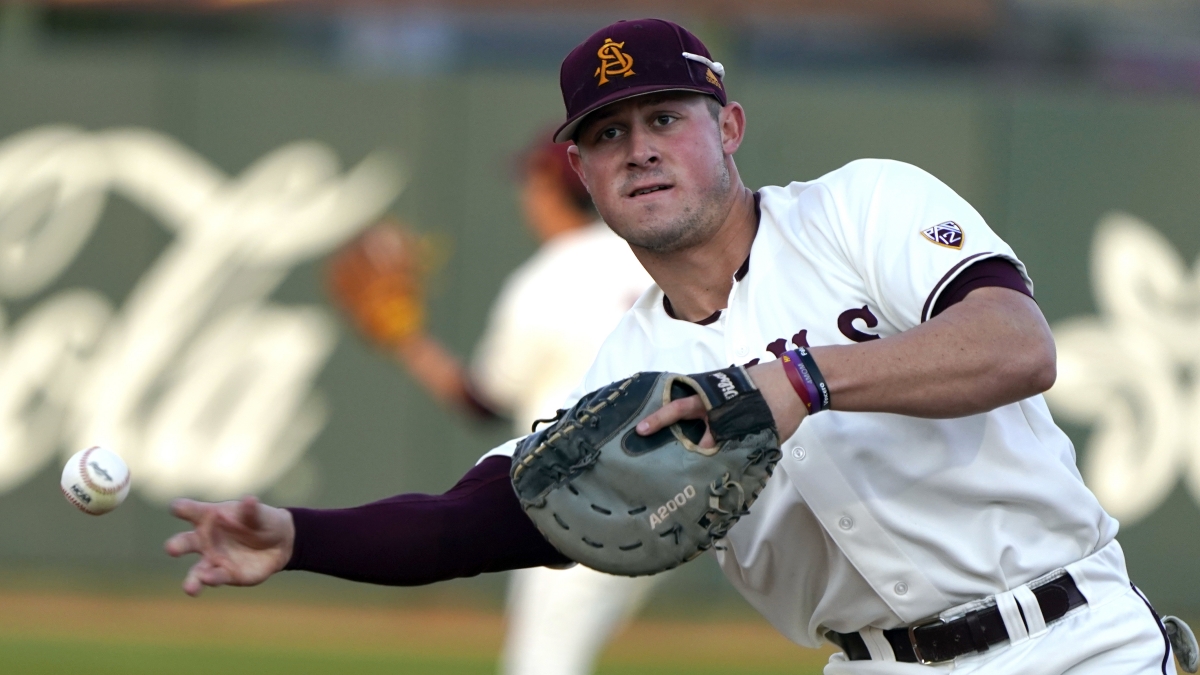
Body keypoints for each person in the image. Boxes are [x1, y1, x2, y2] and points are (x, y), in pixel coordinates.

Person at [166, 18, 1181, 674]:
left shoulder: (861, 209)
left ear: (728, 125)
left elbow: (1016, 345)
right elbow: (472, 522)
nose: (640, 146)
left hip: (1071, 639)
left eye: (666, 117)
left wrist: (799, 381)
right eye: (608, 134)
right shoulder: (626, 371)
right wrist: (302, 537)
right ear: (582, 169)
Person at [326, 133, 658, 675]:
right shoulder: (646, 255)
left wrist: (407, 339)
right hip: (680, 487)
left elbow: (482, 400)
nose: (526, 198)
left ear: (554, 190)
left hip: (586, 499)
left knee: (540, 667)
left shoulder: (542, 282)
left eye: (533, 184)